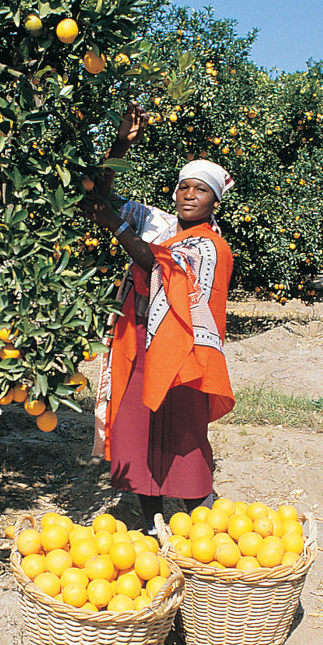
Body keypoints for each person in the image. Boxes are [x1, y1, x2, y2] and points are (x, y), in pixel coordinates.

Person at [80, 105, 235, 535]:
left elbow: (156, 263)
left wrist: (115, 226)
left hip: (180, 352)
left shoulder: (209, 246)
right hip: (140, 344)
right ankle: (151, 521)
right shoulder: (162, 225)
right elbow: (102, 199)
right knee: (138, 430)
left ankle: (200, 523)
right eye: (183, 187)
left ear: (214, 201)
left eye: (200, 190)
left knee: (185, 437)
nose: (189, 194)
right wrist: (120, 144)